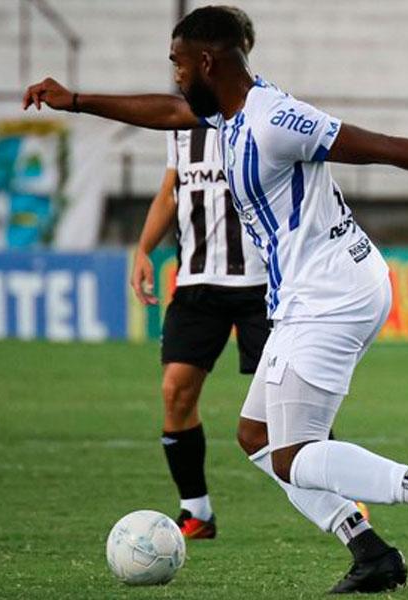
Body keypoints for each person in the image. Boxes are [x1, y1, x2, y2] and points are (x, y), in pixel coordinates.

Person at [23, 6, 408, 593]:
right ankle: (370, 554)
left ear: (207, 62)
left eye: (178, 65)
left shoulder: (274, 119)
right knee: (256, 437)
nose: (176, 78)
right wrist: (77, 99)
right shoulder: (226, 112)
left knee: (292, 453)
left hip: (332, 294)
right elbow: (168, 112)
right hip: (314, 293)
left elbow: (384, 146)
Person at [129, 6, 266, 540]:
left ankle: (338, 493)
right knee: (175, 392)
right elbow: (171, 188)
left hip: (262, 285)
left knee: (288, 403)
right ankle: (197, 512)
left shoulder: (260, 114)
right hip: (198, 282)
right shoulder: (180, 124)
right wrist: (143, 248)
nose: (177, 70)